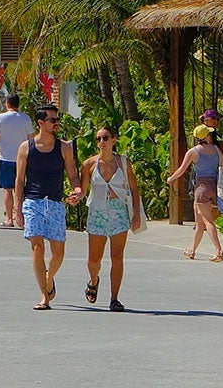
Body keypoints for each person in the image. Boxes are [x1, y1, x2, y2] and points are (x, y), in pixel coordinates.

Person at [14, 104, 82, 309]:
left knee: (59, 253)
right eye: (53, 120)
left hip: (55, 202)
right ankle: (44, 296)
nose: (57, 123)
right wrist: (17, 209)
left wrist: (77, 190)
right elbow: (19, 180)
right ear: (41, 123)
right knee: (37, 248)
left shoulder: (64, 148)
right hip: (33, 201)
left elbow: (72, 175)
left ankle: (48, 277)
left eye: (57, 119)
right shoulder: (26, 147)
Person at [80, 125, 145, 310]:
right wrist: (76, 195)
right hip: (98, 212)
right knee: (94, 260)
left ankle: (114, 298)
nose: (102, 142)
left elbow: (133, 188)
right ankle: (93, 281)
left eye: (106, 138)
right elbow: (83, 190)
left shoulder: (123, 163)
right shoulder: (89, 164)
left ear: (114, 140)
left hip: (118, 212)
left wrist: (136, 215)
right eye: (99, 139)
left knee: (117, 257)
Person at [167, 124, 223, 262]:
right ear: (207, 136)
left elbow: (181, 170)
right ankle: (192, 250)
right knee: (199, 222)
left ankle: (219, 251)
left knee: (207, 221)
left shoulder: (193, 152)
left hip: (201, 189)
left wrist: (171, 179)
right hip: (213, 186)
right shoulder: (216, 149)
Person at [0, 94, 34, 228]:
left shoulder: (1, 117)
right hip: (22, 158)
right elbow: (31, 138)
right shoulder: (26, 118)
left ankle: (9, 219)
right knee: (19, 188)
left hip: (6, 158)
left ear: (7, 104)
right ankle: (19, 216)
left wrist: (2, 138)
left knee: (7, 189)